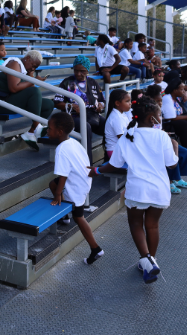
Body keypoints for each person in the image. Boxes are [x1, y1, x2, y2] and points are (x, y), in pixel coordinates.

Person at [90, 95, 178, 284]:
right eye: (159, 115)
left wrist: (96, 170)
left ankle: (147, 260)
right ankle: (150, 261)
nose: (160, 118)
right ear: (152, 118)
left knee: (136, 224)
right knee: (153, 226)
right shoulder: (162, 136)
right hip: (159, 190)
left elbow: (114, 165)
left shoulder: (127, 137)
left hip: (137, 190)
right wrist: (175, 147)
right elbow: (172, 164)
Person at [48, 112, 104, 265]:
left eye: (49, 128)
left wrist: (57, 195)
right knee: (53, 184)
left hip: (76, 186)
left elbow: (63, 175)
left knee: (79, 217)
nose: (47, 131)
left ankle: (95, 248)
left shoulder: (61, 149)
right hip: (82, 180)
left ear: (60, 131)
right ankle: (65, 216)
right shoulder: (73, 142)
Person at [0, 50, 53, 150]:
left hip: (12, 100)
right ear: (27, 58)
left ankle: (31, 132)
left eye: (35, 68)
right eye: (33, 65)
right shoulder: (15, 63)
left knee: (49, 104)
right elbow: (14, 88)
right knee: (35, 92)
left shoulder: (24, 70)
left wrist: (31, 76)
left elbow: (31, 90)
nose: (33, 68)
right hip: (1, 103)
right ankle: (37, 127)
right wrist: (34, 80)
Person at [53, 55, 105, 164]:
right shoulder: (67, 82)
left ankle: (110, 159)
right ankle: (88, 165)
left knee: (109, 126)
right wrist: (71, 106)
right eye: (76, 70)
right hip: (73, 116)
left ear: (87, 71)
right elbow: (57, 102)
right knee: (86, 127)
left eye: (82, 71)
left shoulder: (93, 83)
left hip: (92, 115)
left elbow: (102, 100)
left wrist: (101, 106)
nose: (78, 74)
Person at [146, 85, 187, 194]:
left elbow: (159, 128)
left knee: (184, 152)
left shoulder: (157, 112)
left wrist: (164, 133)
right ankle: (169, 181)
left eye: (161, 101)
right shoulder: (146, 114)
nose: (160, 103)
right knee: (170, 152)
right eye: (157, 101)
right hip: (152, 143)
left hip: (161, 139)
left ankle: (177, 178)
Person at [103, 89, 131, 159]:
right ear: (117, 103)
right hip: (115, 151)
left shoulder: (122, 114)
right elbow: (122, 138)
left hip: (120, 149)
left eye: (130, 101)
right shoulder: (116, 117)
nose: (130, 103)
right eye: (127, 101)